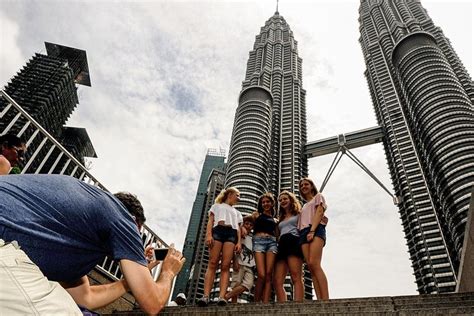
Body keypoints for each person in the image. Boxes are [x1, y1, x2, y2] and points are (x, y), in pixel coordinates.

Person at [0, 174, 185, 315]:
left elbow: (84, 298)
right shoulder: (120, 215)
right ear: (133, 221)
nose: (135, 243)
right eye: (136, 236)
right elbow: (152, 303)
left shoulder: (76, 236)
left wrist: (128, 283)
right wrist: (168, 272)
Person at [198, 187, 242, 307]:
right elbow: (211, 221)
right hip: (217, 232)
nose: (239, 198)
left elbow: (238, 229)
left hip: (231, 234)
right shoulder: (216, 206)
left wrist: (239, 243)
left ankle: (222, 297)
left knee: (226, 266)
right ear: (230, 194)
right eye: (237, 195)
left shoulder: (237, 213)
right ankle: (205, 296)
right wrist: (208, 235)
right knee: (212, 263)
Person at [298, 177, 329, 300]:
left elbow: (319, 212)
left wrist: (312, 230)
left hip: (315, 229)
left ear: (311, 186)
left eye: (306, 184)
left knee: (315, 263)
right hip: (303, 232)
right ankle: (319, 299)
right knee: (310, 266)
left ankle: (326, 299)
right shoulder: (304, 206)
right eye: (301, 186)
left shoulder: (318, 197)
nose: (304, 187)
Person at [273, 190, 304, 302]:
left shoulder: (299, 214)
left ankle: (298, 304)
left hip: (293, 241)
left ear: (291, 200)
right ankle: (283, 306)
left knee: (296, 276)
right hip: (281, 244)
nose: (282, 201)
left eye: (285, 199)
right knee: (277, 281)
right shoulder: (280, 218)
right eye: (280, 200)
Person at [252, 192, 278, 303]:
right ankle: (256, 303)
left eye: (267, 202)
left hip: (272, 243)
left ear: (272, 203)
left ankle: (265, 303)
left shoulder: (275, 220)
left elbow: (277, 234)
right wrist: (242, 230)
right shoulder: (256, 215)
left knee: (268, 275)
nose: (265, 204)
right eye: (263, 202)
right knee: (261, 274)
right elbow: (241, 221)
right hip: (258, 242)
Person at [225, 215, 255, 303]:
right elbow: (233, 250)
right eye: (246, 224)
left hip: (249, 266)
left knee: (248, 284)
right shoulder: (238, 237)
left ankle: (226, 296)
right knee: (236, 284)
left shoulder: (252, 238)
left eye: (250, 224)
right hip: (239, 263)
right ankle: (233, 305)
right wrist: (234, 261)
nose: (248, 226)